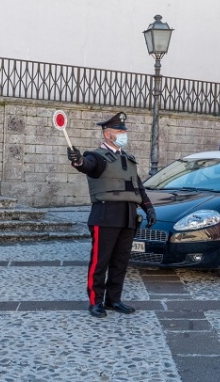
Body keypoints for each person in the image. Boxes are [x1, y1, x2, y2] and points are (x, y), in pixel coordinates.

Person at [66, 111, 156, 318]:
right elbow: (86, 166)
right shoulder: (95, 156)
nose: (123, 134)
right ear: (108, 135)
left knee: (120, 261)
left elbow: (138, 187)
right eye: (119, 131)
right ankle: (95, 302)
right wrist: (77, 160)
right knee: (100, 261)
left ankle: (114, 299)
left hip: (128, 216)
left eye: (123, 131)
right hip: (105, 215)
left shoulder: (128, 158)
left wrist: (149, 209)